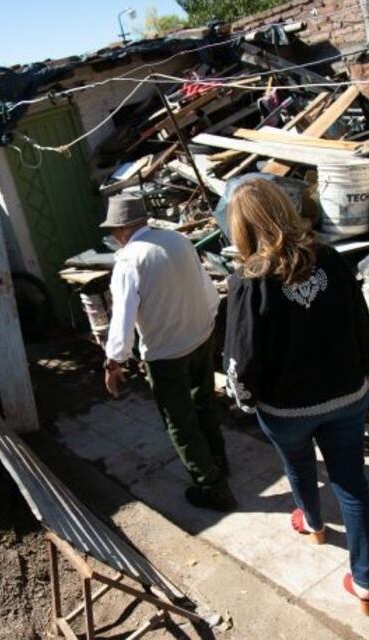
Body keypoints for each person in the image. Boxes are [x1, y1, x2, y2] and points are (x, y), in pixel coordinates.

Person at [222, 179, 369, 615]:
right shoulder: (330, 258)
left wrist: (244, 399)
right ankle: (365, 583)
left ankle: (312, 524)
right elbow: (361, 321)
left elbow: (241, 355)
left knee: (297, 466)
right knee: (352, 484)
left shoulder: (249, 280)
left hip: (286, 409)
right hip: (347, 397)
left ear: (241, 227)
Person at [100, 193, 235, 512]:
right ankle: (219, 462)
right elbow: (209, 293)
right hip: (201, 338)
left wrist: (114, 363)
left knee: (180, 422)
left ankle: (213, 487)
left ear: (120, 230)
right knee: (204, 404)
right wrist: (205, 326)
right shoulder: (178, 241)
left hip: (166, 355)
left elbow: (122, 319)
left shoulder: (129, 260)